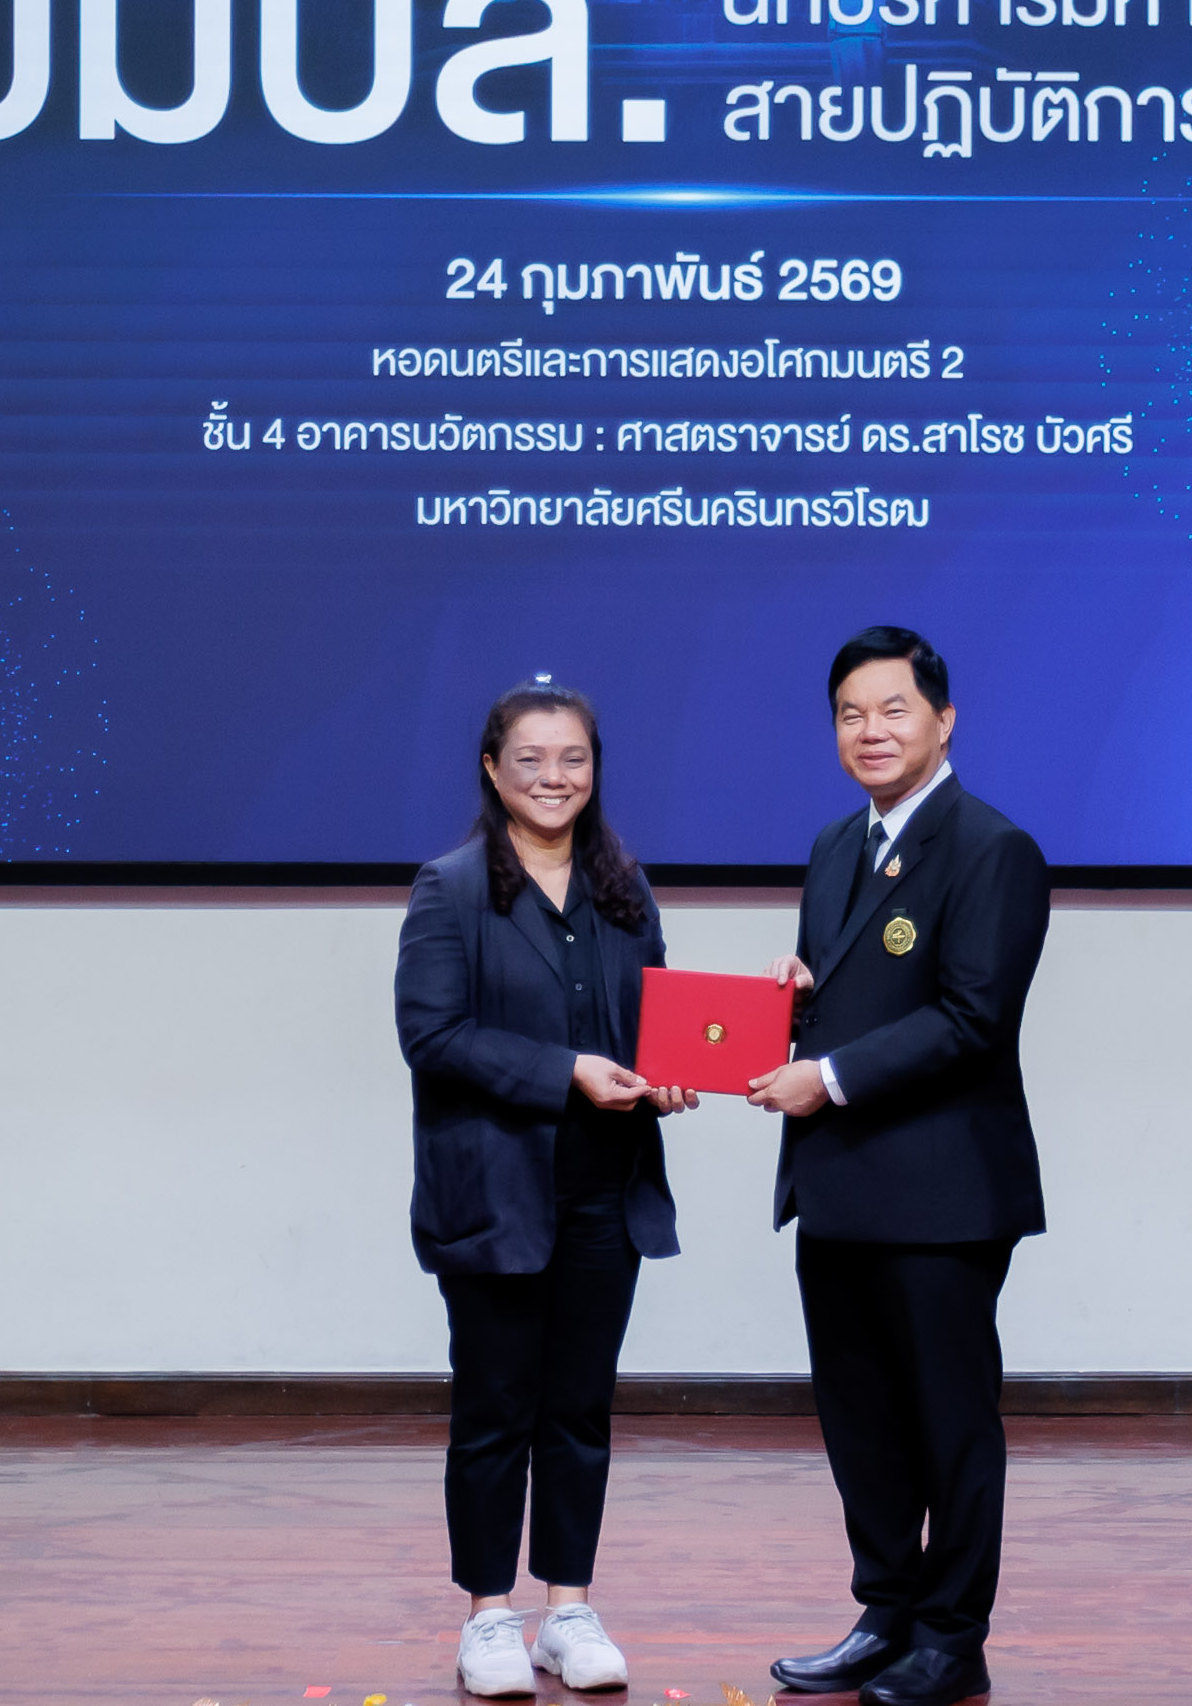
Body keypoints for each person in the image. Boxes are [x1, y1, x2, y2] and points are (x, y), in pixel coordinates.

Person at [747, 626, 1051, 1706]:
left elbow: (971, 1020)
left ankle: (951, 1636)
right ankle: (885, 1613)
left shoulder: (991, 848)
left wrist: (823, 1073)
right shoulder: (838, 845)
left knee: (948, 1425)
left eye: (892, 710)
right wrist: (795, 999)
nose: (869, 732)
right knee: (862, 1419)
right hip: (838, 1185)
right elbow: (859, 996)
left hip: (940, 1194)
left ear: (944, 719)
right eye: (848, 714)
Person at [396, 679, 699, 1697]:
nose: (554, 777)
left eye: (573, 759)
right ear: (493, 770)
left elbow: (655, 1023)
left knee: (580, 1410)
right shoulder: (449, 888)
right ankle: (489, 1615)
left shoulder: (625, 886)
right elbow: (431, 1038)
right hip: (494, 1194)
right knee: (494, 1411)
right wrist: (566, 1068)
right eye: (531, 760)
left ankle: (569, 1606)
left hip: (605, 1193)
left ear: (595, 770)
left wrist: (666, 1076)